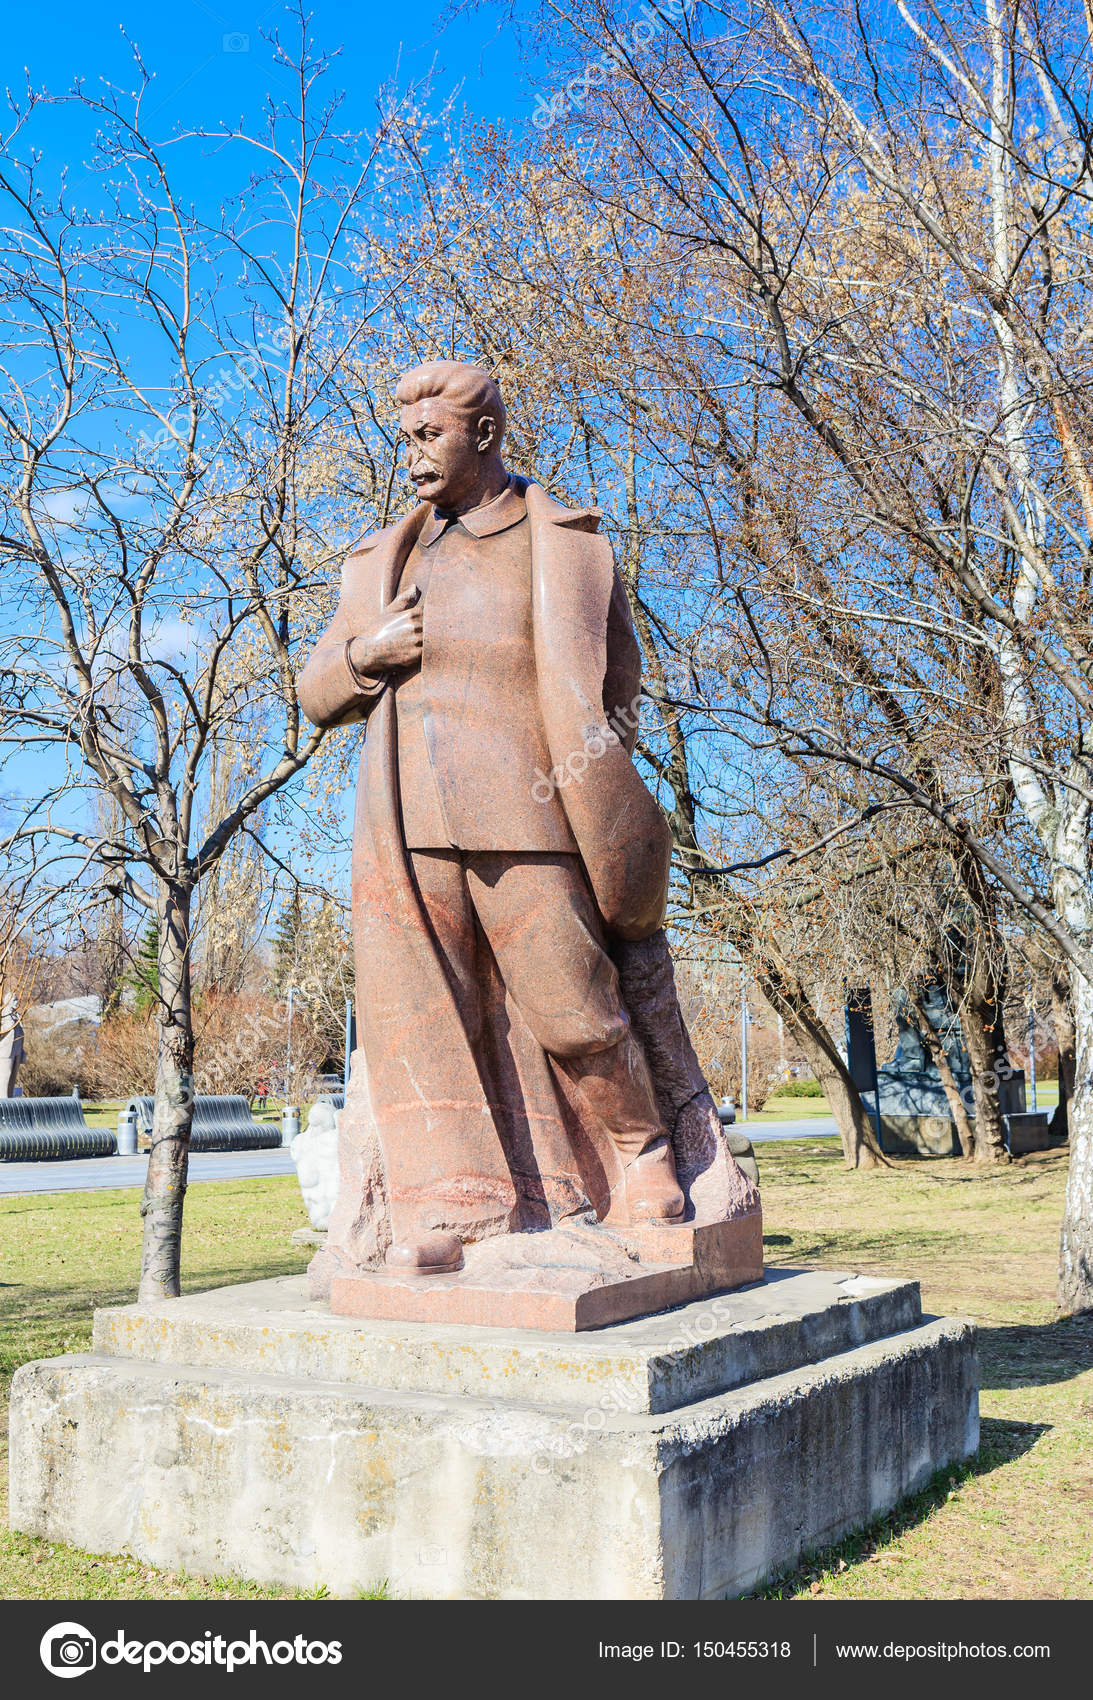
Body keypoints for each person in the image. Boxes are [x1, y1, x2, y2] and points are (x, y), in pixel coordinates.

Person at [298, 361, 684, 1280]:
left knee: (572, 1007)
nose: (412, 454)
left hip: (533, 813)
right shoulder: (380, 561)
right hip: (409, 821)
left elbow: (621, 688)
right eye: (404, 438)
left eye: (428, 436)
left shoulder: (565, 541)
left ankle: (642, 1152)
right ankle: (453, 1207)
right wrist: (366, 651)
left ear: (482, 434)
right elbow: (315, 692)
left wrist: (589, 774)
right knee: (427, 1022)